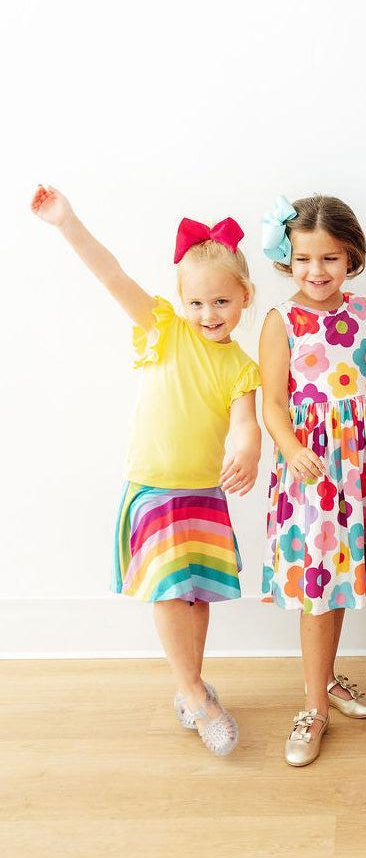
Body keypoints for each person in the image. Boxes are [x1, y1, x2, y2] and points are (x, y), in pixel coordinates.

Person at [31, 186, 261, 755]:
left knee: (197, 596)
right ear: (181, 301)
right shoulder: (163, 329)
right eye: (197, 303)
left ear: (244, 296)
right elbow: (111, 274)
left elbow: (244, 422)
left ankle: (191, 684)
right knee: (169, 592)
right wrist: (67, 221)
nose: (208, 314)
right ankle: (196, 696)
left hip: (203, 493)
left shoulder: (241, 365)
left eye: (221, 302)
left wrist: (248, 450)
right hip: (155, 488)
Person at [259, 193, 366, 766]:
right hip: (315, 472)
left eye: (329, 258)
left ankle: (324, 679)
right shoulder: (282, 321)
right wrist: (293, 449)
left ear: (351, 257)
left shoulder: (364, 311)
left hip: (363, 467)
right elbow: (273, 404)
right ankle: (313, 708)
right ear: (288, 259)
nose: (316, 271)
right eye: (303, 259)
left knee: (339, 578)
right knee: (318, 586)